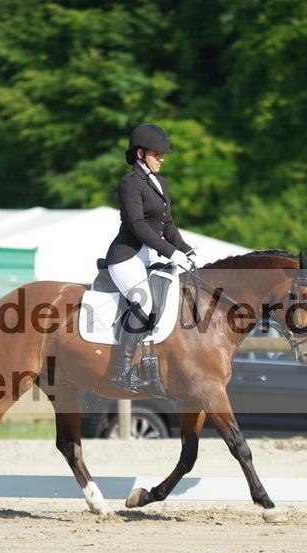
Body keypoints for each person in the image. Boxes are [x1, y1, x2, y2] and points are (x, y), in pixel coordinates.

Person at [104, 123, 196, 391]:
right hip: (126, 256)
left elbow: (167, 224)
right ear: (141, 153)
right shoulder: (129, 183)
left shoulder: (160, 182)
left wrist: (185, 249)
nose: (162, 159)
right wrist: (171, 252)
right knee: (142, 303)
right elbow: (137, 225)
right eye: (157, 154)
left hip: (151, 256)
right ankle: (122, 372)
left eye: (163, 154)